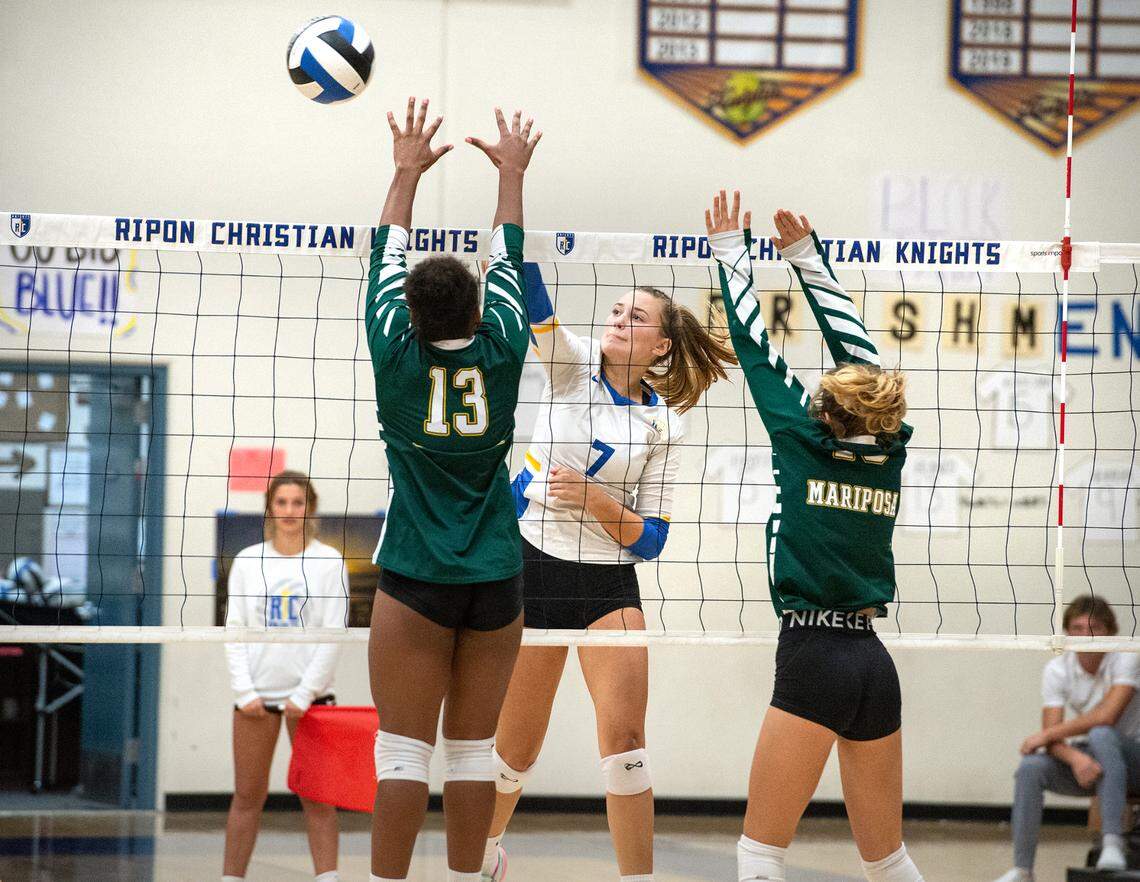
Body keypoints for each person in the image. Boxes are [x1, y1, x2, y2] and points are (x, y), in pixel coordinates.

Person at [480, 256, 736, 881]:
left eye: (636, 316)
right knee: (515, 749)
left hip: (606, 582)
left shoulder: (667, 426)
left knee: (625, 747)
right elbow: (533, 293)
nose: (619, 320)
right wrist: (509, 203)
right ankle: (483, 853)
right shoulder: (570, 370)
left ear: (661, 344)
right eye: (616, 310)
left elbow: (652, 542)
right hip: (533, 566)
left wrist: (596, 500)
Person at [706, 192, 923, 882]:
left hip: (813, 653)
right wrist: (804, 259)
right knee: (887, 860)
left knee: (760, 853)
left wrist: (729, 253)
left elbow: (752, 346)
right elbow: (862, 364)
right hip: (872, 664)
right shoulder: (891, 447)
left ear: (826, 406)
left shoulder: (801, 440)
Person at [364, 97, 541, 882]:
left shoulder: (393, 356)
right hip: (497, 576)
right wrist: (510, 172)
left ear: (406, 314)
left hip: (414, 575)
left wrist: (404, 171)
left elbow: (382, 253)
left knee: (404, 752)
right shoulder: (503, 350)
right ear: (477, 309)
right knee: (473, 752)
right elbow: (508, 255)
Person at [222, 470, 349, 882]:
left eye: (298, 503)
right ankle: (231, 878)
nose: (290, 511)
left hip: (311, 703)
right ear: (270, 509)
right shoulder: (247, 561)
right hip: (255, 699)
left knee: (318, 801)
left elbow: (333, 633)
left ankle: (327, 877)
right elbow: (234, 630)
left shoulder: (329, 561)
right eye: (282, 503)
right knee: (246, 797)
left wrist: (306, 693)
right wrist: (244, 691)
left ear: (310, 508)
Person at [993, 595, 1140, 881]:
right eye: (1078, 628)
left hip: (1135, 759)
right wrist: (1076, 758)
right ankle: (1023, 869)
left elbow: (1106, 717)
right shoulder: (1058, 669)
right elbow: (1050, 743)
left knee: (1101, 734)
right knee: (1030, 767)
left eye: (1094, 627)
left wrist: (1046, 734)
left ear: (1109, 631)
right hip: (1099, 761)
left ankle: (1113, 844)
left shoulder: (1127, 657)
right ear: (1068, 632)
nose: (1086, 635)